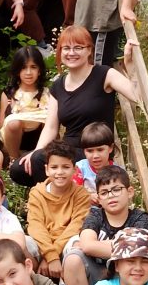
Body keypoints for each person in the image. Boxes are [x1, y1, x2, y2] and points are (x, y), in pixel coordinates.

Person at [9, 27, 138, 187]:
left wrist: (129, 63)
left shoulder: (104, 74)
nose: (72, 53)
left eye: (78, 48)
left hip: (94, 150)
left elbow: (136, 96)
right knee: (19, 168)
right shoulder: (58, 85)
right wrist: (36, 150)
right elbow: (50, 127)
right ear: (60, 52)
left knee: (38, 161)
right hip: (68, 149)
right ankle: (57, 194)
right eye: (66, 48)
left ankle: (57, 198)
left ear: (89, 50)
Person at [63, 165, 148, 285]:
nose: (111, 195)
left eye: (116, 189)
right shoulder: (95, 215)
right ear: (98, 198)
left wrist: (99, 245)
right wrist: (122, 244)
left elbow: (135, 249)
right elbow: (87, 245)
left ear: (129, 192)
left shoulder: (139, 217)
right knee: (72, 259)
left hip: (125, 274)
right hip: (96, 273)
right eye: (104, 192)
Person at [25, 141, 92, 283]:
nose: (59, 172)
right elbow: (36, 226)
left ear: (74, 170)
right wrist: (50, 256)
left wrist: (51, 256)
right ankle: (32, 282)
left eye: (65, 167)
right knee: (23, 242)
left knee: (76, 243)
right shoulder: (37, 193)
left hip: (65, 244)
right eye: (54, 167)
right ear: (47, 169)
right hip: (43, 246)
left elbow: (75, 227)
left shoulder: (81, 194)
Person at [0, 46, 50, 159]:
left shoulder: (46, 93)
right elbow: (2, 124)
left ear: (39, 70)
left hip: (39, 141)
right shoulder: (9, 94)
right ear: (17, 71)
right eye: (23, 68)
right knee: (13, 123)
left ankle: (43, 157)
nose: (28, 72)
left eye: (33, 67)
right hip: (13, 141)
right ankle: (14, 160)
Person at [73, 121, 116, 199]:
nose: (95, 156)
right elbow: (72, 191)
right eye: (90, 151)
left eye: (100, 150)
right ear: (84, 151)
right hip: (83, 208)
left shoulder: (117, 171)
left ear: (110, 148)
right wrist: (87, 196)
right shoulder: (80, 168)